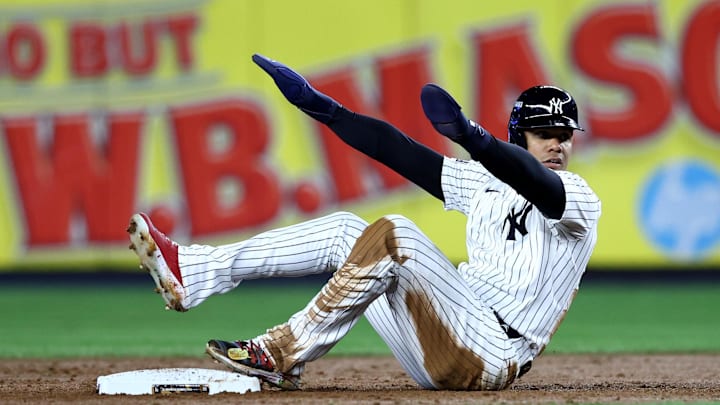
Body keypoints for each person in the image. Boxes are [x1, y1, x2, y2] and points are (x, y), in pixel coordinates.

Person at [127, 53, 601, 391]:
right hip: (443, 334)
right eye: (545, 134)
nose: (558, 145)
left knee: (395, 232)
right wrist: (326, 110)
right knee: (347, 232)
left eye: (565, 136)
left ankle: (281, 351)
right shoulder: (482, 183)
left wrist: (474, 138)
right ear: (520, 133)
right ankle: (195, 271)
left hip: (493, 353)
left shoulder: (578, 198)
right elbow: (399, 151)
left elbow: (535, 181)